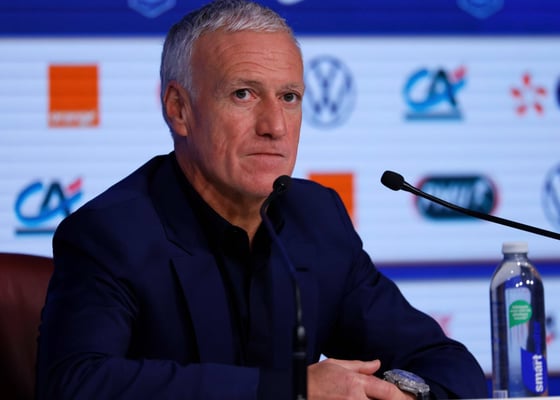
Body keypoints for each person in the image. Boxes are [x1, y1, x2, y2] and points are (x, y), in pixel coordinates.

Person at [35, 0, 489, 399]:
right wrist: (290, 391)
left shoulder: (317, 217)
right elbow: (76, 384)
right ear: (179, 109)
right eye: (244, 94)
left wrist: (399, 396)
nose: (275, 125)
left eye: (289, 97)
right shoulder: (110, 233)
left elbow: (446, 364)